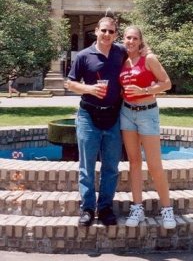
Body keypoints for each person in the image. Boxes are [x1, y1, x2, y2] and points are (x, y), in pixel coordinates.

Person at [67, 15, 127, 227]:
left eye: (111, 32)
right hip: (88, 115)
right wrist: (89, 89)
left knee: (111, 166)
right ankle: (87, 208)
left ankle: (105, 207)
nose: (107, 35)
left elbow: (140, 54)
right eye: (103, 30)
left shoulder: (121, 52)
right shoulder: (84, 56)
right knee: (87, 166)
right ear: (96, 32)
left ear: (115, 34)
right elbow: (70, 83)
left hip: (113, 115)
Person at [119, 25, 176, 229]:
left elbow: (167, 83)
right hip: (126, 113)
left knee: (154, 164)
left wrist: (143, 89)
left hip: (147, 113)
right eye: (128, 38)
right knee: (134, 162)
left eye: (135, 38)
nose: (131, 41)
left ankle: (167, 209)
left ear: (140, 40)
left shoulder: (149, 59)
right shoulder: (121, 61)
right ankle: (137, 208)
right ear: (123, 39)